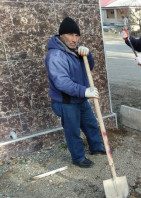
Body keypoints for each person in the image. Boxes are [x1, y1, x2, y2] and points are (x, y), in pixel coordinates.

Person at [45, 17, 105, 168]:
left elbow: (88, 68)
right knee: (73, 132)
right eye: (71, 35)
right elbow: (62, 82)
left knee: (91, 123)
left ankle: (96, 147)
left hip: (79, 98)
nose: (74, 39)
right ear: (61, 35)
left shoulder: (73, 51)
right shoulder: (56, 56)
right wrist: (85, 91)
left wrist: (88, 55)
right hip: (66, 102)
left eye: (77, 35)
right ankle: (78, 158)